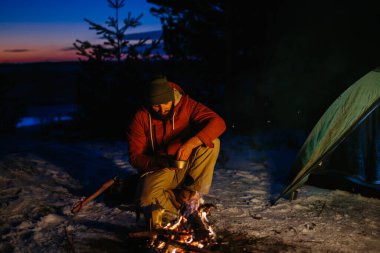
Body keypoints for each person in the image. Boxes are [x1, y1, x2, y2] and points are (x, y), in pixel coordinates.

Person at [126, 74, 226, 228]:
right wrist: (158, 161)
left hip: (185, 164)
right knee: (145, 200)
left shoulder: (186, 105)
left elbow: (218, 123)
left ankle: (192, 196)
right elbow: (135, 157)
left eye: (166, 103)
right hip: (160, 168)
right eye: (156, 106)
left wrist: (191, 144)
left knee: (212, 142)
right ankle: (181, 209)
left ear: (172, 97)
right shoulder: (140, 118)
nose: (163, 108)